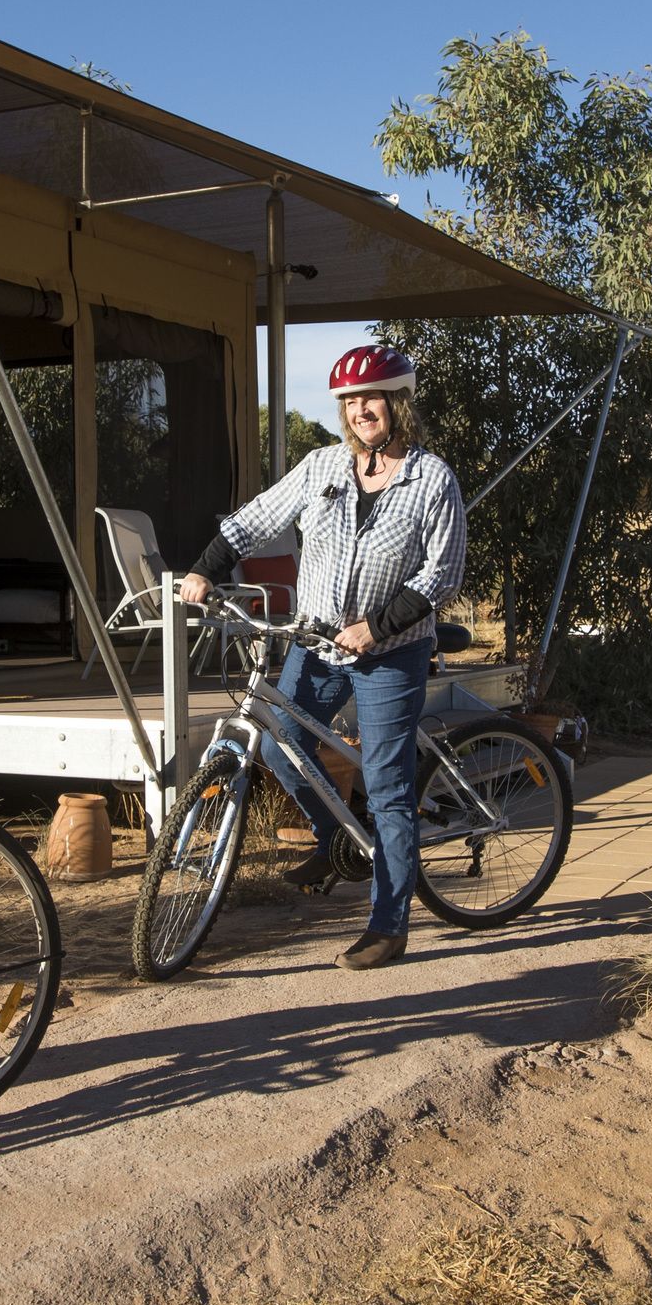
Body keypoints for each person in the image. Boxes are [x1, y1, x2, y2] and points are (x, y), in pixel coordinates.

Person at [175, 343, 464, 970]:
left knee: (388, 789)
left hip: (391, 653)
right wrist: (203, 571)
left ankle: (389, 926)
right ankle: (338, 839)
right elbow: (253, 521)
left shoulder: (431, 478)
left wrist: (376, 627)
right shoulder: (322, 467)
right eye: (351, 402)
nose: (362, 410)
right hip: (316, 642)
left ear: (399, 403)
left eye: (373, 399)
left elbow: (443, 575)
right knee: (279, 741)